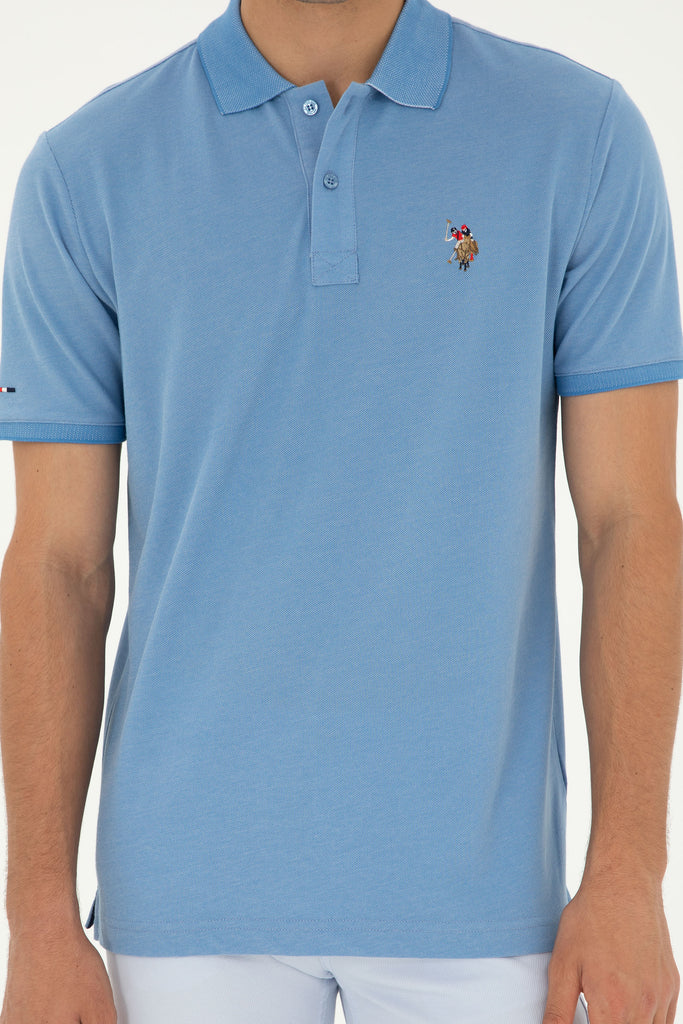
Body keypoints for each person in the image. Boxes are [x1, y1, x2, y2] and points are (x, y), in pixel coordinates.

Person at [0, 0, 681, 1020]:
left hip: (487, 905)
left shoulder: (577, 134)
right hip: (185, 901)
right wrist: (38, 917)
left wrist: (629, 873)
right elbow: (58, 563)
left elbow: (629, 520)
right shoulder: (86, 169)